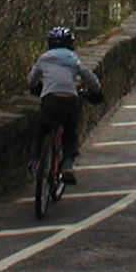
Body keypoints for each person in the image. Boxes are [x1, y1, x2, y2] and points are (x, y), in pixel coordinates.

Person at [26, 25, 103, 183]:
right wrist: (96, 92)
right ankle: (67, 164)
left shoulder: (44, 58)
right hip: (69, 99)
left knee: (42, 129)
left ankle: (36, 160)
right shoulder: (73, 59)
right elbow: (90, 78)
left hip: (50, 99)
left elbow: (31, 80)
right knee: (69, 134)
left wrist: (36, 87)